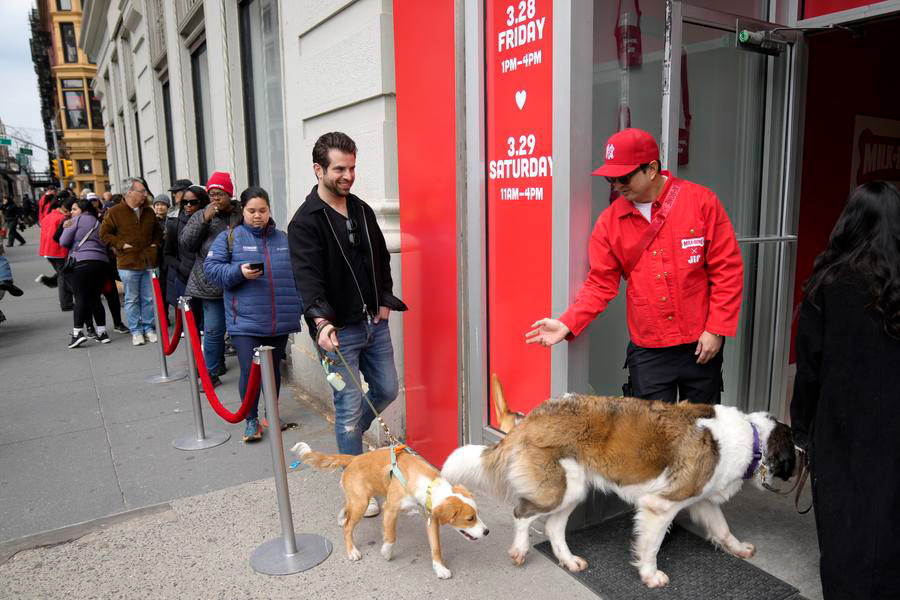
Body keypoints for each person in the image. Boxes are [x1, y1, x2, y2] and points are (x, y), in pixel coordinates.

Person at [526, 128, 743, 405]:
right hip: (649, 349)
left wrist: (716, 329)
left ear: (651, 169)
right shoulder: (609, 223)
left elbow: (727, 270)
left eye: (624, 177)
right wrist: (567, 323)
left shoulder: (700, 202)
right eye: (611, 178)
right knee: (650, 430)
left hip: (701, 343)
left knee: (702, 427)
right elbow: (600, 284)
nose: (617, 184)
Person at [791, 181, 900, 600]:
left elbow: (809, 369)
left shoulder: (828, 284)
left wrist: (802, 429)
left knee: (843, 523)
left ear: (849, 223)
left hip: (841, 426)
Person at [289, 131, 407, 517]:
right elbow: (308, 279)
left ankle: (350, 439)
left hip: (374, 323)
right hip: (338, 333)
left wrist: (385, 301)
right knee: (348, 406)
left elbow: (381, 260)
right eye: (340, 169)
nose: (348, 175)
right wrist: (321, 323)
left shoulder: (361, 210)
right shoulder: (306, 222)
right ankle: (357, 488)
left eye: (352, 168)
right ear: (318, 169)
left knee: (387, 389)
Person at [204, 186, 302, 442]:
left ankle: (271, 414)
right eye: (252, 211)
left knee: (273, 371)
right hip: (244, 322)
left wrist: (300, 306)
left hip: (279, 320)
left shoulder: (283, 239)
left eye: (263, 210)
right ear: (243, 211)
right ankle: (250, 420)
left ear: (269, 210)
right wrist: (239, 272)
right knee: (250, 372)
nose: (258, 215)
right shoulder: (229, 238)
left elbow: (299, 275)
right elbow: (211, 270)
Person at [180, 172, 241, 388]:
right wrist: (203, 220)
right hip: (210, 282)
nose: (215, 198)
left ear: (229, 194)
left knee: (241, 329)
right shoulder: (201, 215)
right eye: (212, 194)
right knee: (213, 330)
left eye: (220, 194)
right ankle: (211, 373)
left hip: (239, 279)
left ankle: (251, 369)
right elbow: (186, 244)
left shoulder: (241, 213)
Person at [99, 176, 163, 346]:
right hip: (128, 263)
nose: (145, 194)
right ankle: (136, 331)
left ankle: (148, 328)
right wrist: (121, 244)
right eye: (141, 191)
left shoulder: (148, 211)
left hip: (149, 262)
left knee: (149, 298)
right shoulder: (114, 212)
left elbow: (158, 232)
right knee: (131, 299)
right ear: (129, 192)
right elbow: (104, 234)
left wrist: (155, 245)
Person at [59, 199, 112, 347]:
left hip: (82, 262)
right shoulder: (98, 222)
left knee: (80, 298)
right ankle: (102, 333)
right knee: (95, 298)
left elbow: (63, 242)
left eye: (74, 209)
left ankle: (77, 333)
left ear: (83, 210)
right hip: (101, 262)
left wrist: (66, 228)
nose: (71, 212)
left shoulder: (75, 221)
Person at [164, 185, 206, 324]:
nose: (188, 206)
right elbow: (167, 254)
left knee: (208, 325)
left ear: (202, 202)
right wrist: (181, 266)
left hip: (207, 280)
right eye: (185, 202)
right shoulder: (174, 224)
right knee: (189, 323)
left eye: (193, 202)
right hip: (184, 279)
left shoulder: (211, 222)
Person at [38, 195, 74, 311]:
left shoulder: (48, 216)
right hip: (58, 251)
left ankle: (66, 301)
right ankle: (66, 302)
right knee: (63, 277)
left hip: (48, 251)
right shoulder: (62, 218)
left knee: (62, 276)